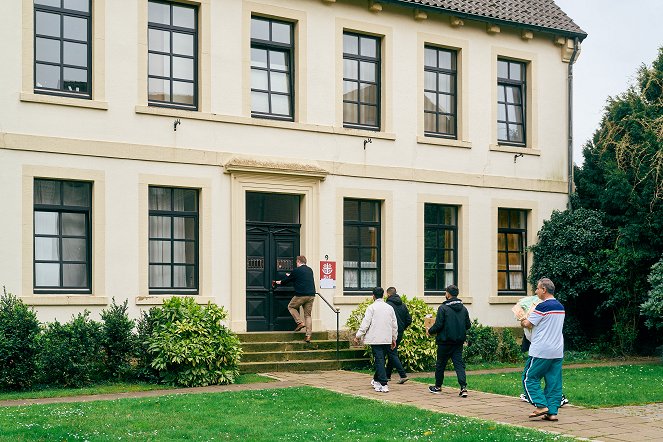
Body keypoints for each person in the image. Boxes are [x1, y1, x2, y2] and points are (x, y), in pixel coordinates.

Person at [517, 277, 565, 422]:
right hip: (557, 350)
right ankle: (552, 412)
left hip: (541, 350)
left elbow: (529, 324)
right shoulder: (560, 306)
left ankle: (540, 405)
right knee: (553, 382)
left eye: (537, 288)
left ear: (544, 290)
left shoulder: (542, 306)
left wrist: (521, 318)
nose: (536, 291)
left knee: (529, 378)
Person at [427, 284, 471, 398]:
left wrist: (430, 331)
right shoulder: (463, 308)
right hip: (458, 342)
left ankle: (438, 386)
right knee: (459, 365)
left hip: (444, 341)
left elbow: (438, 325)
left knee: (440, 364)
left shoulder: (443, 308)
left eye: (446, 292)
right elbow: (468, 325)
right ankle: (463, 388)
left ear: (448, 294)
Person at [353, 287, 398, 393]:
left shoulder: (371, 308)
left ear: (373, 296)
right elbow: (394, 324)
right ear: (383, 295)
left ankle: (383, 383)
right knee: (381, 360)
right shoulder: (389, 308)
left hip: (375, 338)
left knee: (379, 360)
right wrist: (394, 338)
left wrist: (358, 336)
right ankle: (377, 380)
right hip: (386, 338)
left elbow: (365, 323)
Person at [275, 255, 316, 343]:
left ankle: (299, 322)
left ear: (298, 261)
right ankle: (308, 336)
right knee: (308, 315)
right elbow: (300, 278)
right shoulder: (310, 270)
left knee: (291, 307)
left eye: (296, 262)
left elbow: (286, 281)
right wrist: (291, 275)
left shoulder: (296, 270)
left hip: (301, 295)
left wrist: (278, 282)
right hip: (311, 295)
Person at [385, 286, 412, 384]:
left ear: (388, 294)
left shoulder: (387, 305)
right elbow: (409, 320)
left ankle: (403, 375)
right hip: (400, 332)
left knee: (392, 353)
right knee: (392, 352)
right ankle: (387, 375)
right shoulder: (403, 305)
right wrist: (402, 327)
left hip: (390, 332)